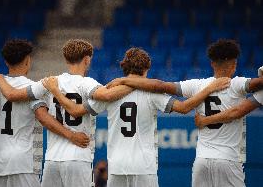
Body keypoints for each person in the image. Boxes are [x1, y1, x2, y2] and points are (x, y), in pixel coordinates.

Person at [42, 47, 230, 187]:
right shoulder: (152, 94)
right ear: (146, 69)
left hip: (116, 166)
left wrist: (56, 92)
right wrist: (210, 88)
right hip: (144, 166)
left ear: (124, 68)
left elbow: (75, 111)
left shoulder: (110, 92)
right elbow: (185, 107)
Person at [105, 40, 263, 187]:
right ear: (234, 64)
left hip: (202, 160)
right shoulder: (238, 84)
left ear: (212, 63)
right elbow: (240, 107)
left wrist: (124, 80)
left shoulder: (197, 85)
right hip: (229, 159)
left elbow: (160, 85)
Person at [0, 39, 133, 187]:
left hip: (52, 159)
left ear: (66, 59)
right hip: (78, 157)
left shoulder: (49, 82)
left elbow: (13, 95)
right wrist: (133, 83)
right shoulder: (87, 83)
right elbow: (107, 95)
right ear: (87, 60)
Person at [0, 39, 89, 187]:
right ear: (27, 60)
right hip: (22, 164)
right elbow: (43, 118)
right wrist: (71, 135)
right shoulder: (30, 88)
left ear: (6, 62)